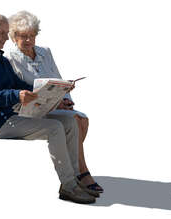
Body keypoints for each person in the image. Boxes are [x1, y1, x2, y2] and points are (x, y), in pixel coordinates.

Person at [0, 13, 96, 204]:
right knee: (54, 127)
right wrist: (16, 96)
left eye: (6, 33)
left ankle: (76, 178)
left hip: (15, 114)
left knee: (69, 122)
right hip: (0, 122)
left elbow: (18, 84)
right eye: (2, 33)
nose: (5, 38)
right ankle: (68, 186)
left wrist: (55, 95)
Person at [6, 11, 103, 193]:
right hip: (30, 110)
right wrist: (54, 101)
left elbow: (57, 78)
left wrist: (65, 96)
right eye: (23, 36)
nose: (28, 40)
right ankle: (81, 173)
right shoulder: (9, 59)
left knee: (82, 119)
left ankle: (76, 172)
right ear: (13, 37)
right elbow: (22, 90)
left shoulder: (45, 52)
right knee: (75, 121)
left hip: (52, 105)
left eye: (32, 36)